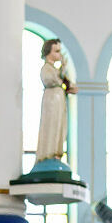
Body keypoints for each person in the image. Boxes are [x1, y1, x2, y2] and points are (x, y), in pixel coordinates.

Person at [34, 37, 77, 165]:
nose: (59, 54)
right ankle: (48, 153)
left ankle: (57, 153)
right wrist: (61, 73)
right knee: (52, 125)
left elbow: (63, 80)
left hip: (59, 100)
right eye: (57, 51)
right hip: (52, 100)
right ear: (49, 52)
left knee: (60, 125)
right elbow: (50, 79)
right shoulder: (46, 68)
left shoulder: (55, 70)